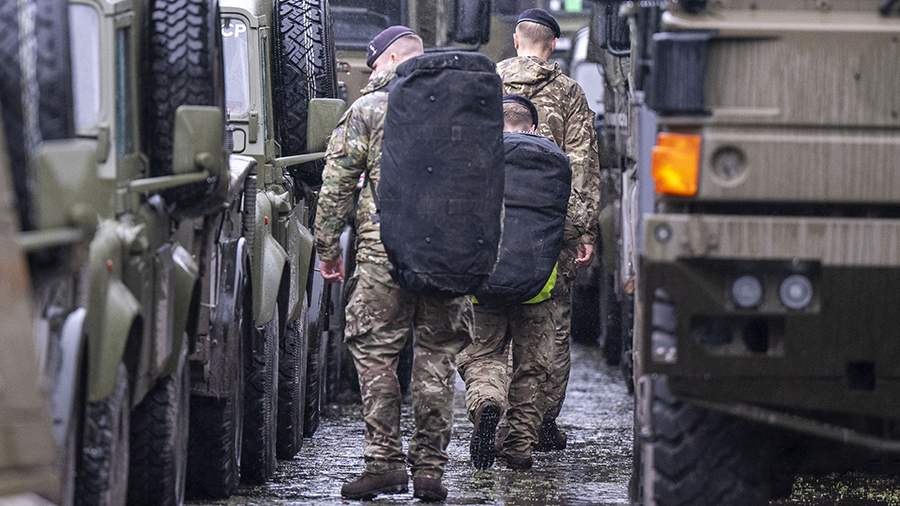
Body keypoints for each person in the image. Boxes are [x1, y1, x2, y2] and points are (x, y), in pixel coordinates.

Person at [314, 26, 473, 502]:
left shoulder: (369, 108)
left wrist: (326, 248)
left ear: (387, 60)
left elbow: (337, 184)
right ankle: (429, 471)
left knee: (376, 352)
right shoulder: (461, 109)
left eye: (373, 64)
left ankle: (384, 464)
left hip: (383, 253)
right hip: (447, 253)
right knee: (437, 356)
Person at [497, 8, 601, 451]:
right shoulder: (569, 93)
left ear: (516, 39)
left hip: (493, 227)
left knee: (492, 320)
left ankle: (494, 407)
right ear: (553, 44)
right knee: (552, 326)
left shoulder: (488, 84)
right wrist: (582, 230)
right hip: (549, 229)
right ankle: (538, 421)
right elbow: (582, 164)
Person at [457, 95, 566, 471]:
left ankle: (487, 401)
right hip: (537, 285)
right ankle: (518, 446)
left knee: (481, 355)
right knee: (532, 366)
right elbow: (567, 221)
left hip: (481, 283)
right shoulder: (553, 159)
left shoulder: (473, 156)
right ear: (533, 126)